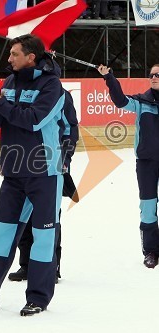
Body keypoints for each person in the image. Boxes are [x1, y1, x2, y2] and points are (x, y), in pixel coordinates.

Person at [0, 34, 65, 316]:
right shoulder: (9, 81)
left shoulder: (52, 85)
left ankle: (38, 299)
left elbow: (33, 121)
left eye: (14, 54)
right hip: (14, 171)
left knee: (43, 237)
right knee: (1, 234)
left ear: (31, 57)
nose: (9, 59)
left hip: (45, 171)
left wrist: (1, 103)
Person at [8, 89, 79, 283]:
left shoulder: (59, 93)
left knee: (49, 219)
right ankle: (26, 265)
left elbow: (70, 128)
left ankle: (51, 266)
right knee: (25, 218)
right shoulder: (20, 90)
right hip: (22, 167)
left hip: (51, 166)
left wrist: (65, 157)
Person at [97, 64, 159, 268]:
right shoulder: (142, 102)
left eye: (158, 75)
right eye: (151, 75)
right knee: (148, 208)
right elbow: (120, 100)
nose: (154, 78)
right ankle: (151, 251)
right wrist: (109, 78)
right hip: (146, 164)